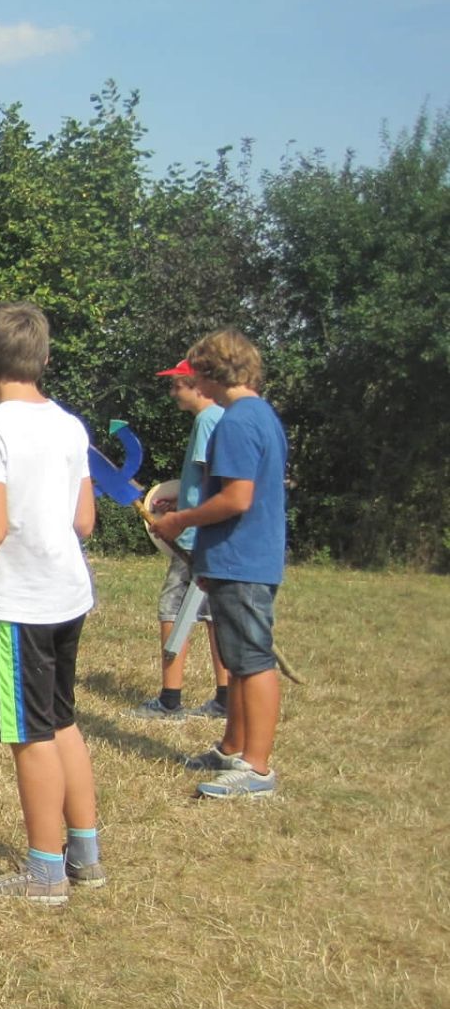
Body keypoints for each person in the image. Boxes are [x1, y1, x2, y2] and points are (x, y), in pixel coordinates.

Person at [0, 303, 102, 906]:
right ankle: (84, 854)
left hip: (22, 604)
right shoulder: (69, 424)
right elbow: (83, 520)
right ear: (45, 360)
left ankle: (44, 874)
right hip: (67, 592)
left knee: (29, 734)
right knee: (62, 719)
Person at [152, 330, 288, 800]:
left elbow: (237, 497)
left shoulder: (235, 422)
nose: (189, 379)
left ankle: (257, 768)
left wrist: (182, 521)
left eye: (195, 370)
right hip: (239, 557)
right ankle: (232, 747)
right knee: (237, 657)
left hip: (243, 559)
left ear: (212, 371)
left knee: (252, 662)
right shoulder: (257, 415)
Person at [133, 359, 231, 721]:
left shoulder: (207, 420)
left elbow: (211, 475)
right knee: (212, 616)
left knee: (172, 611)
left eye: (177, 384)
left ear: (196, 385)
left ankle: (169, 700)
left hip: (194, 537)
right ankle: (225, 699)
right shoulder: (220, 417)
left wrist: (185, 518)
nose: (172, 391)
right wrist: (181, 499)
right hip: (208, 533)